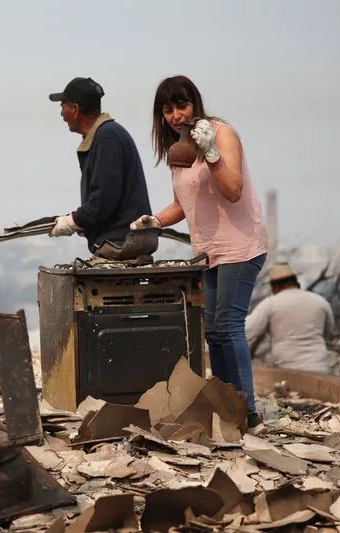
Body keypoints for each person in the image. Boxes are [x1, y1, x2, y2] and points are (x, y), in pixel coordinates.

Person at [132, 75, 268, 427]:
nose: (176, 115)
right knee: (213, 332)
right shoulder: (178, 150)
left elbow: (233, 190)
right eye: (168, 110)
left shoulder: (220, 134)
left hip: (240, 246)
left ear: (195, 104)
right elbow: (182, 203)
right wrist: (154, 220)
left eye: (182, 106)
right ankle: (225, 406)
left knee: (229, 326)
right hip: (208, 251)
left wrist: (211, 154)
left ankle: (246, 410)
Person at [47, 77, 152, 256]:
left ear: (75, 109)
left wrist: (73, 221)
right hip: (121, 238)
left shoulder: (106, 137)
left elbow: (103, 201)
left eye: (63, 106)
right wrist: (84, 223)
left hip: (120, 240)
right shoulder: (105, 135)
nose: (61, 114)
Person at [245, 263, 335, 374]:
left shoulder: (271, 304)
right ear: (295, 281)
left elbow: (248, 331)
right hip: (319, 368)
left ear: (275, 286)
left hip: (287, 370)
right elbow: (328, 332)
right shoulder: (320, 301)